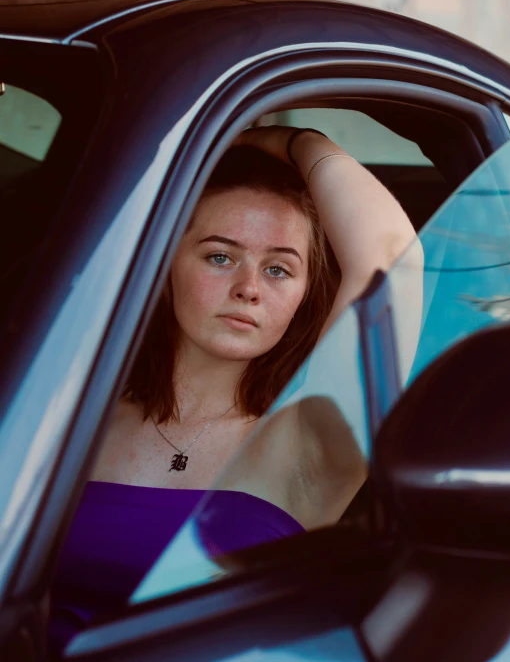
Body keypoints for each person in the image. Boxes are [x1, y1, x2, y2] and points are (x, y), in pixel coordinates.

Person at [48, 126, 417, 657]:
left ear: (303, 296)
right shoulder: (78, 412)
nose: (249, 288)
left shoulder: (307, 440)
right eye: (221, 257)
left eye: (278, 269)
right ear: (166, 265)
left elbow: (392, 262)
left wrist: (296, 141)